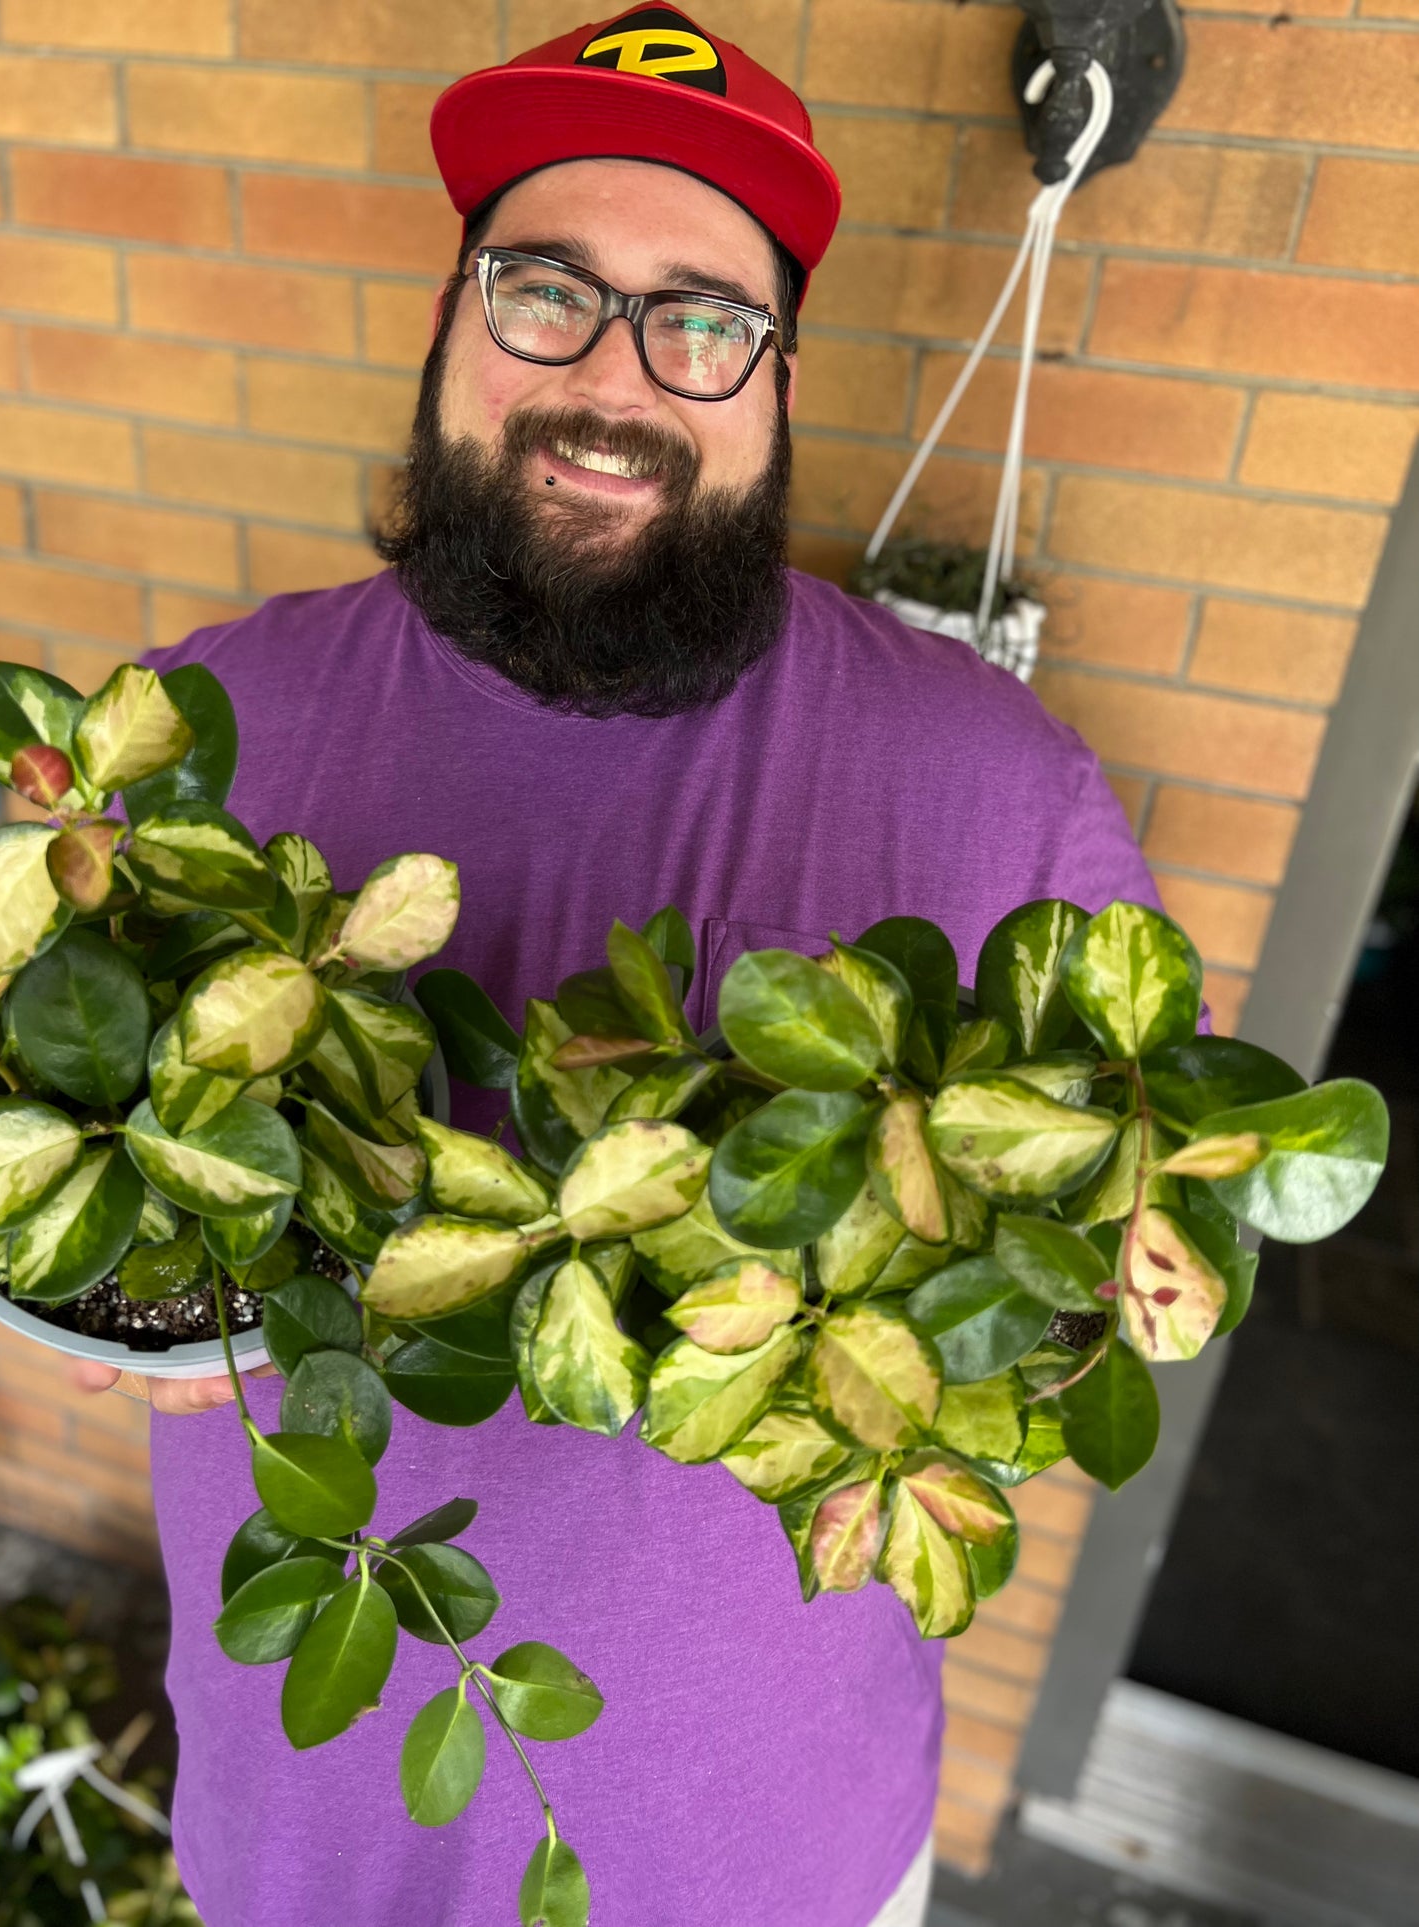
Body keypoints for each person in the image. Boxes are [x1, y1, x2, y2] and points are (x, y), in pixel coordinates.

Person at [71, 6, 1160, 1922]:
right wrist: (86, 1288)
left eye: (702, 318)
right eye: (544, 288)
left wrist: (1124, 1274)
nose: (612, 376)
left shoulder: (1003, 805)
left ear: (775, 379)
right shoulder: (189, 739)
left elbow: (1127, 1241)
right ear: (448, 320)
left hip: (781, 1864)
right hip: (300, 1831)